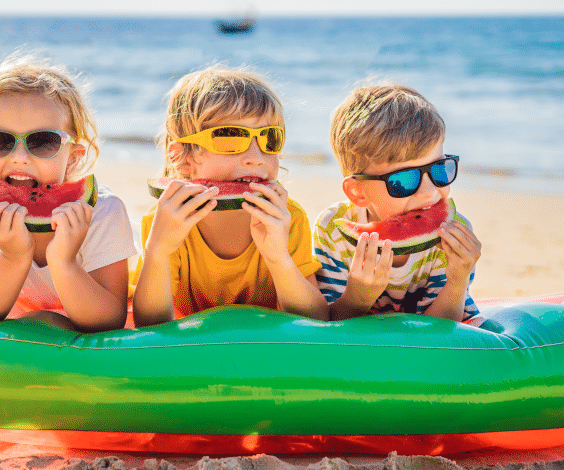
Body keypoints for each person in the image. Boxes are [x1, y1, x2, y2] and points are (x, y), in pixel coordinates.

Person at [0, 53, 136, 331]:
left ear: (73, 157)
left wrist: (63, 261)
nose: (20, 157)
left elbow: (109, 321)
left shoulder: (103, 213)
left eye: (43, 142)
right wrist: (13, 256)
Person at [132, 66, 327, 326]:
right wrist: (158, 251)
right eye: (230, 138)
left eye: (270, 139)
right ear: (181, 157)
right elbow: (149, 324)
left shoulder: (287, 218)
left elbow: (315, 321)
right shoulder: (166, 220)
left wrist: (278, 259)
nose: (255, 159)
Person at [314, 83, 481, 322]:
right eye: (404, 180)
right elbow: (328, 322)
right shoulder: (333, 230)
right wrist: (356, 298)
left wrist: (458, 281)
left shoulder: (452, 234)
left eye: (440, 170)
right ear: (358, 191)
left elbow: (442, 331)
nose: (429, 192)